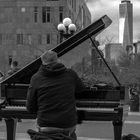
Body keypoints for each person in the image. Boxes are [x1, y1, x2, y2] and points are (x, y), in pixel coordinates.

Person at [26, 50, 86, 140]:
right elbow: (81, 89)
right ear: (57, 60)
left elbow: (30, 108)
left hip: (45, 126)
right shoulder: (70, 74)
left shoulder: (36, 78)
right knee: (71, 133)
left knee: (40, 126)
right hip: (67, 124)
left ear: (43, 62)